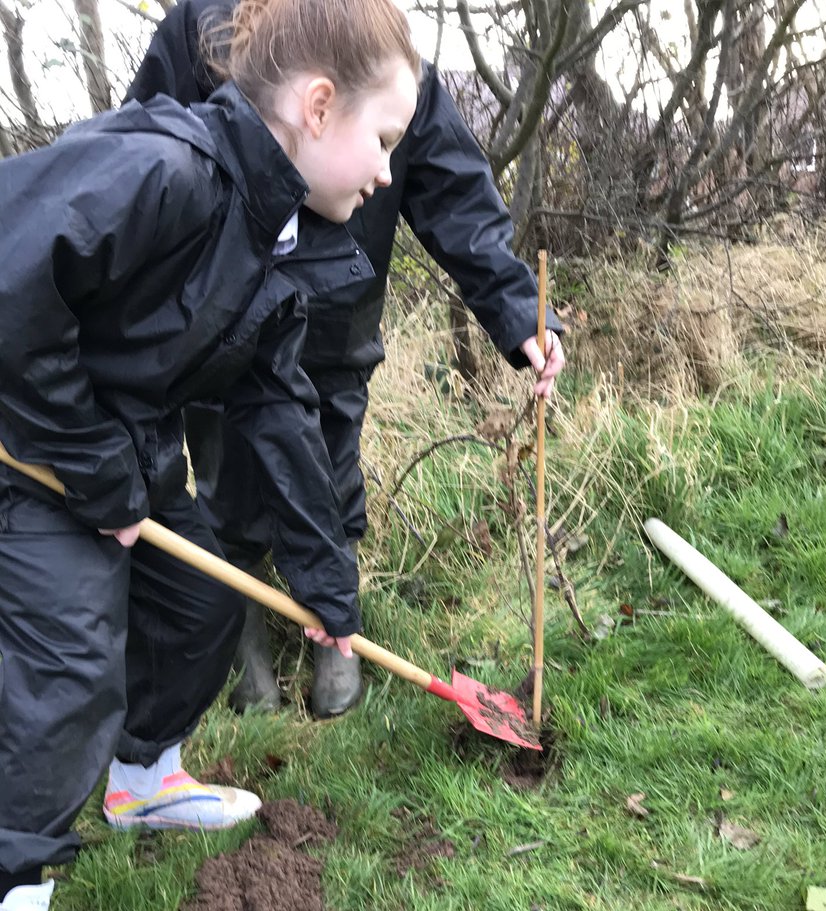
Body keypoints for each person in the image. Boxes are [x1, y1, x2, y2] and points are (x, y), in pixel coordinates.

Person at [0, 0, 421, 911]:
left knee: (199, 596)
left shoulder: (275, 239)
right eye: (380, 142)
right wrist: (94, 470)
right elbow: (12, 288)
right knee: (71, 664)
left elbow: (276, 407)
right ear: (317, 107)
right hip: (23, 441)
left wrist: (328, 588)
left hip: (109, 449)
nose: (382, 176)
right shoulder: (166, 169)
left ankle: (142, 779)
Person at [127, 0, 566, 719]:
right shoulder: (198, 29)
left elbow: (451, 187)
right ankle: (242, 637)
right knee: (228, 479)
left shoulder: (375, 38)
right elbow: (149, 159)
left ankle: (335, 627)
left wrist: (519, 311)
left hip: (339, 313)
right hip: (225, 313)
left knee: (331, 473)